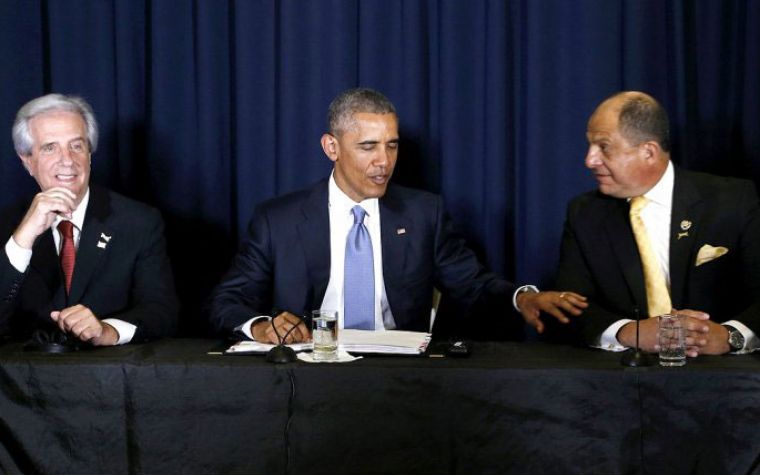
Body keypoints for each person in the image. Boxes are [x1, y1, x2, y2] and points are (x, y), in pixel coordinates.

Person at [209, 87, 586, 343]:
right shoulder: (279, 219)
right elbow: (227, 302)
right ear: (331, 147)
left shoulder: (424, 214)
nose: (383, 162)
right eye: (368, 147)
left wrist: (523, 298)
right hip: (307, 375)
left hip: (402, 378)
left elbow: (473, 286)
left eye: (392, 146)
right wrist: (262, 328)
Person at [555, 91, 760, 355]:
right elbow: (570, 306)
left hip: (728, 380)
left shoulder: (733, 200)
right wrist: (631, 332)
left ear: (649, 152)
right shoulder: (584, 213)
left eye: (603, 147)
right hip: (622, 380)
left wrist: (731, 336)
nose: (589, 160)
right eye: (590, 146)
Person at [0, 94, 178, 346]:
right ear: (27, 160)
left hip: (110, 378)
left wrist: (108, 331)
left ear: (90, 154)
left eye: (76, 145)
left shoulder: (139, 221)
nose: (67, 160)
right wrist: (23, 239)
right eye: (50, 147)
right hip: (22, 380)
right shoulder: (6, 226)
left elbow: (163, 311)